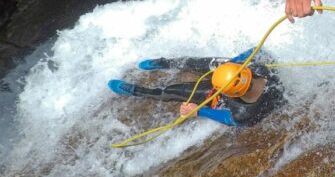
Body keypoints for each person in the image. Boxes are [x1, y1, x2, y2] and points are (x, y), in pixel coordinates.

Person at [108, 49, 284, 126]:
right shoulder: (260, 68)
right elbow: (258, 50)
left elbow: (227, 118)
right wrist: (231, 63)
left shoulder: (242, 113)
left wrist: (198, 111)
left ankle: (139, 91)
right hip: (232, 75)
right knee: (203, 62)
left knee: (168, 92)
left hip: (223, 95)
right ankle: (165, 62)